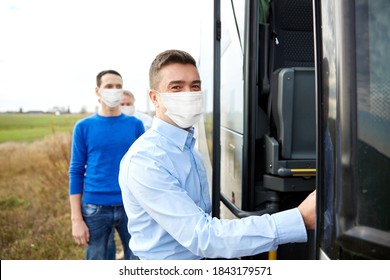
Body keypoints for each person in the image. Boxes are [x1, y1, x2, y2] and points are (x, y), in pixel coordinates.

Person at [118, 49, 316, 260]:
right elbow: (203, 237)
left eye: (195, 86)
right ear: (154, 98)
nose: (189, 94)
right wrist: (299, 219)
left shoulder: (187, 148)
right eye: (176, 87)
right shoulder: (146, 160)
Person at [69, 69, 144, 260]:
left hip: (131, 205)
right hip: (95, 207)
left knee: (138, 260)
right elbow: (76, 171)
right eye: (109, 86)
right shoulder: (83, 127)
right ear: (98, 91)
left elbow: (144, 169)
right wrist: (76, 219)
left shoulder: (135, 125)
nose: (114, 90)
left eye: (118, 86)